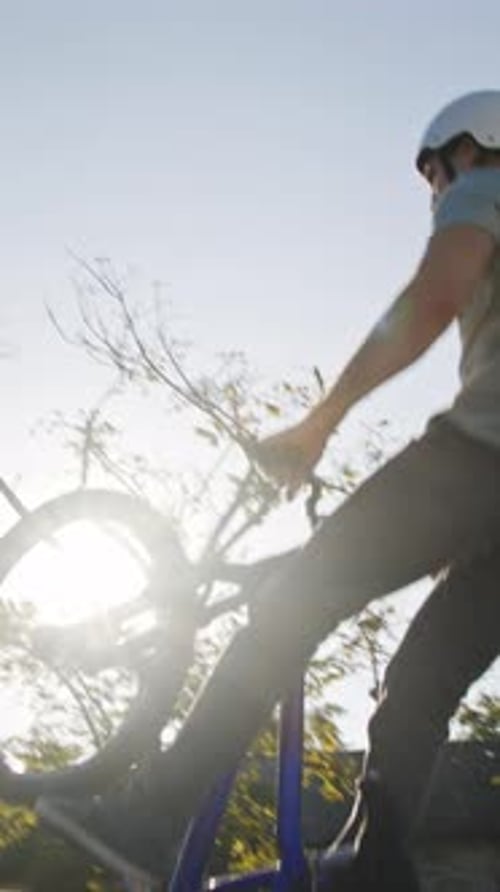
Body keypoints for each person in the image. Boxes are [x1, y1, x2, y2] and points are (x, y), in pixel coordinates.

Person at [36, 90, 500, 891]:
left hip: (481, 456)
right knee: (418, 687)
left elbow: (434, 295)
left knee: (291, 603)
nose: (436, 191)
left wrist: (317, 424)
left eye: (436, 172)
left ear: (474, 146)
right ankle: (377, 874)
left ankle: (152, 815)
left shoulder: (485, 182)